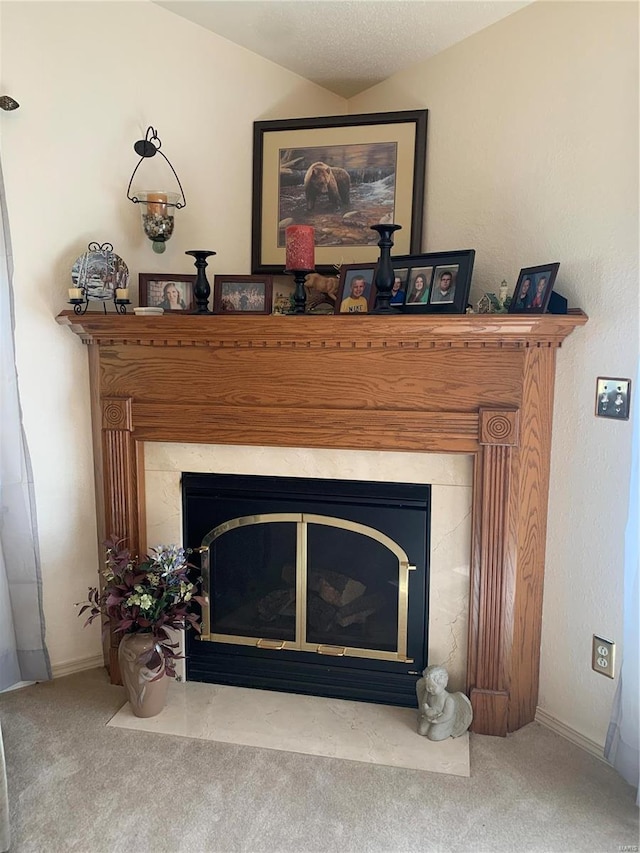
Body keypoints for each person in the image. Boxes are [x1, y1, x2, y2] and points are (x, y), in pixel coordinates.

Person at [415, 664, 473, 741]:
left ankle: (449, 729)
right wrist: (426, 710)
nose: (429, 689)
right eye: (428, 686)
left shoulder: (448, 699)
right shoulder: (429, 694)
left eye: (432, 687)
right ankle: (432, 726)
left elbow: (447, 715)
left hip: (444, 720)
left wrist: (437, 721)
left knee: (433, 735)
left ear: (443, 684)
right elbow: (424, 704)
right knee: (421, 731)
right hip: (430, 717)